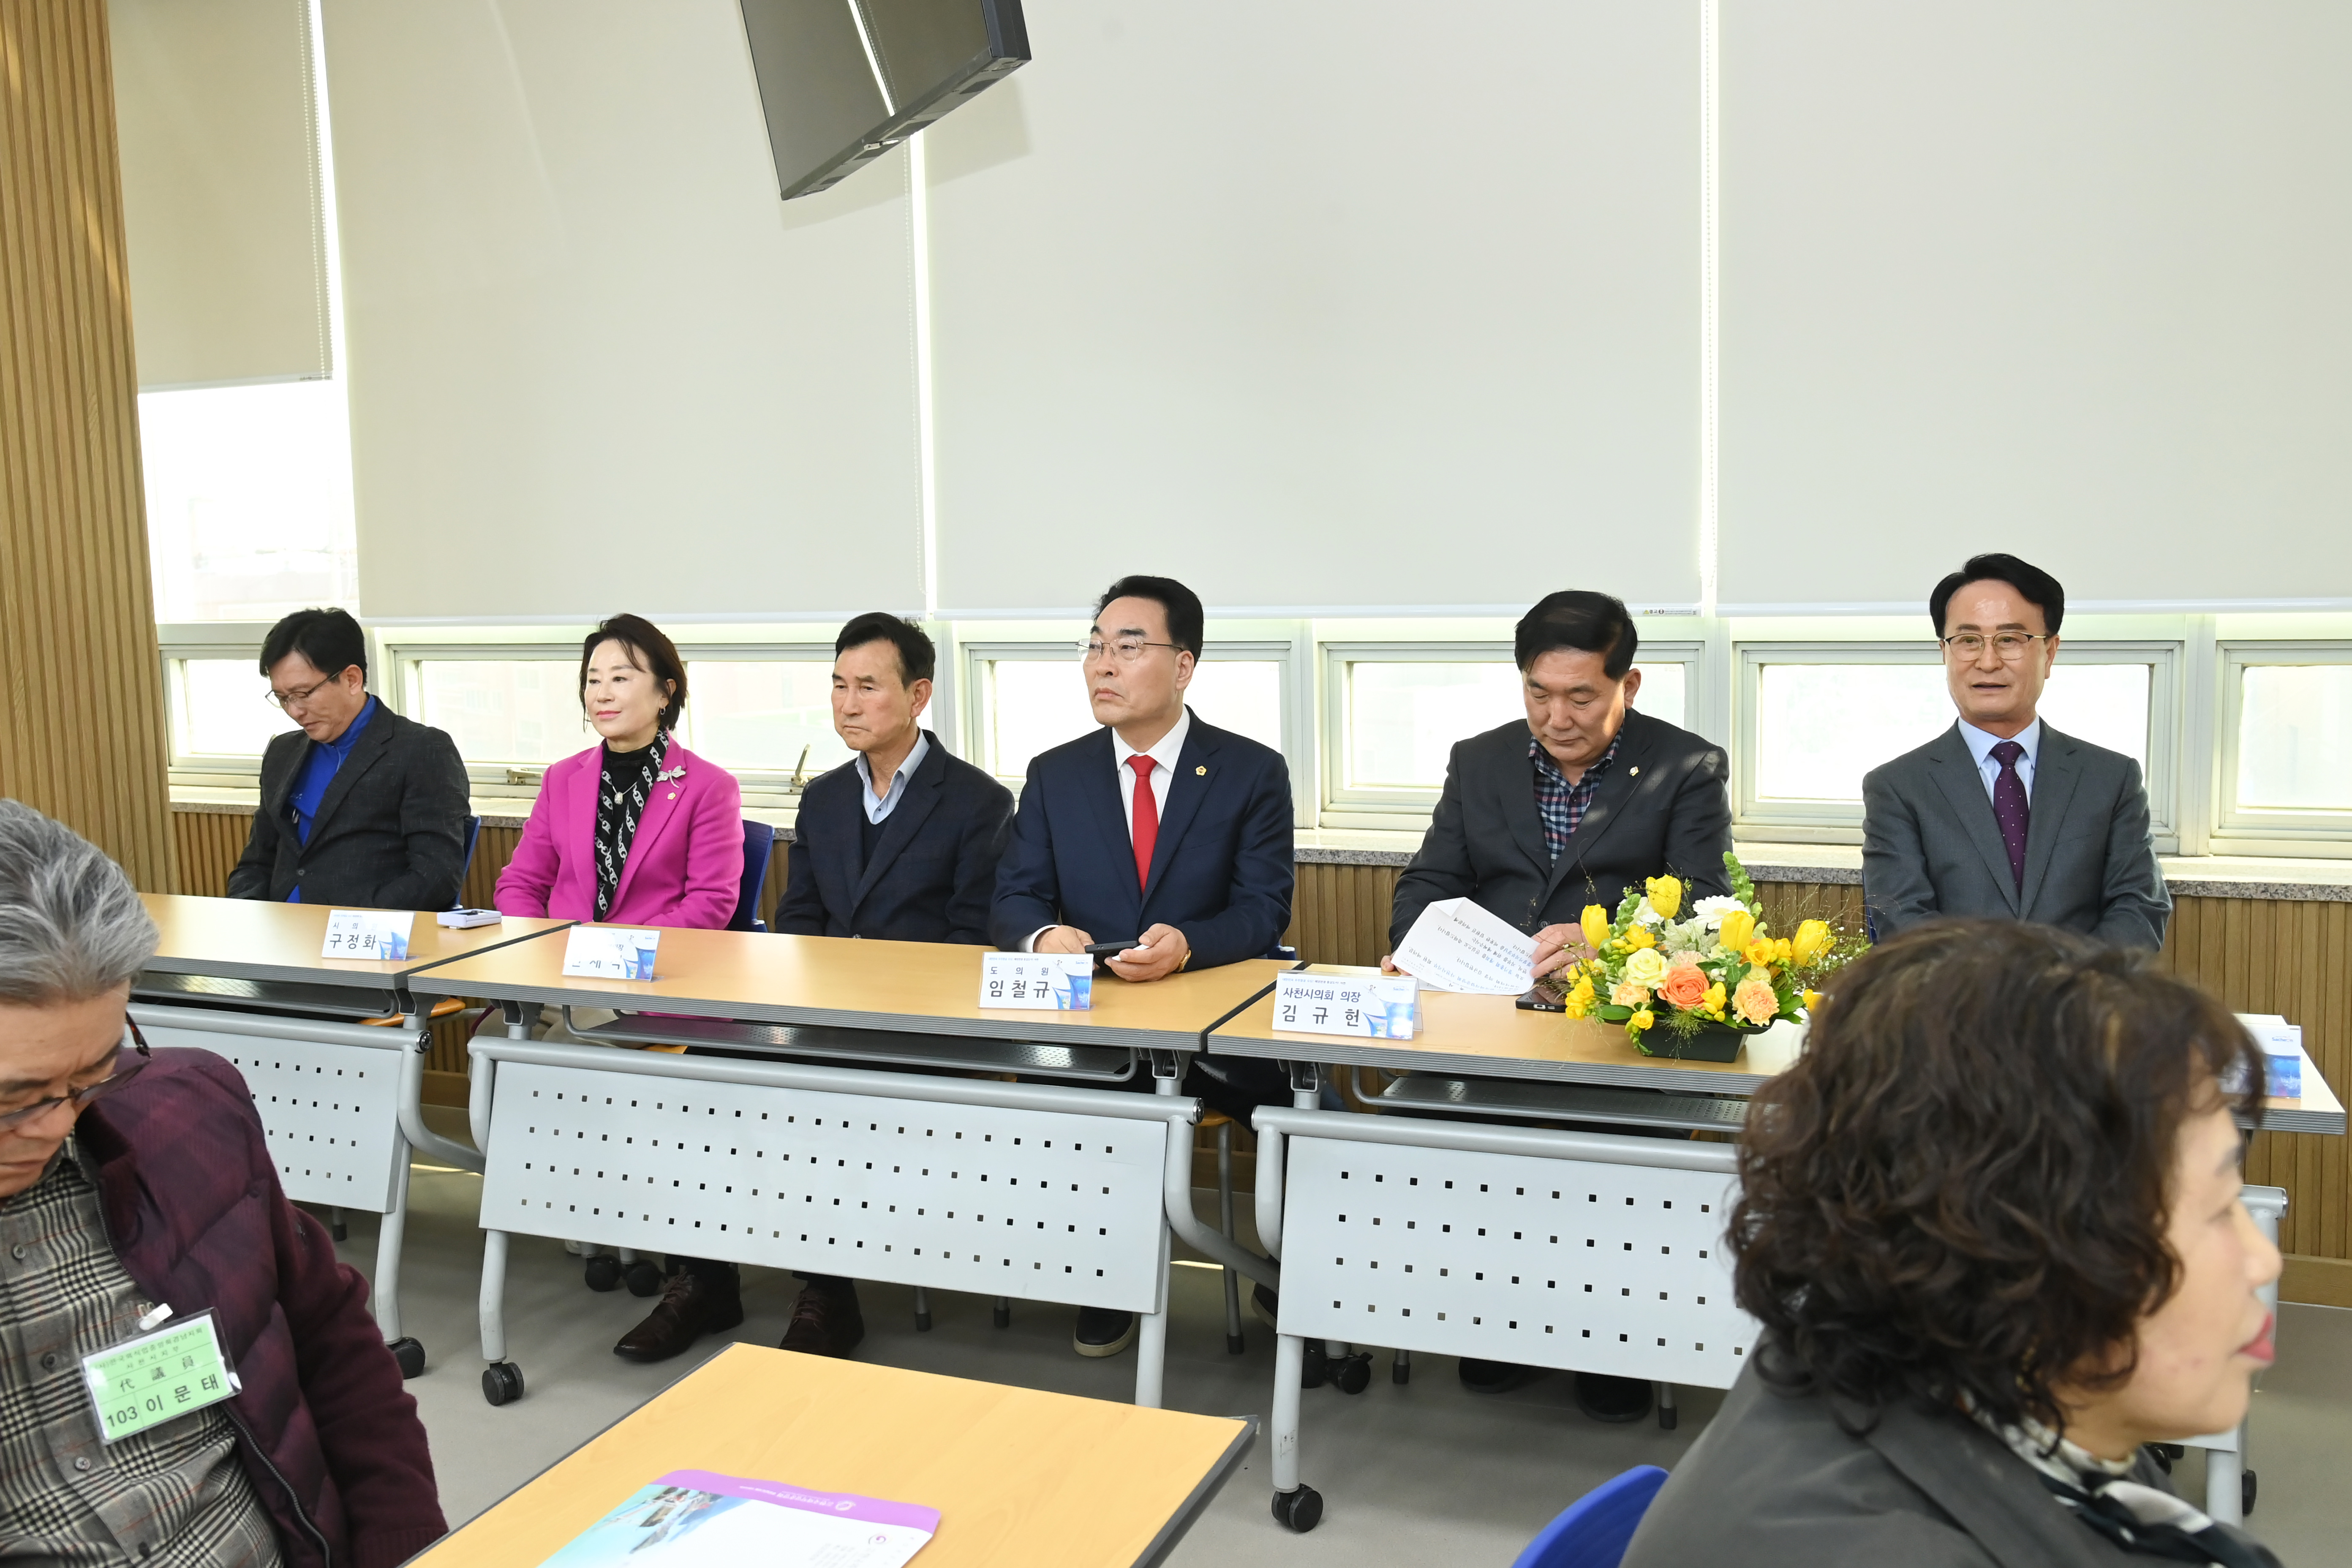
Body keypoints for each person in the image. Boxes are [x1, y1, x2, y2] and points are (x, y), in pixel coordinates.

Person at [1623, 920, 2281, 1567]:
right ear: (2021, 1240)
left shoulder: (2008, 1378)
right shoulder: (1864, 1545)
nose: (2265, 1260)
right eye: (2222, 1209)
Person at [0, 800, 446, 1568]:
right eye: (14, 1096)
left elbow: (333, 1344)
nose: (54, 1123)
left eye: (94, 1073)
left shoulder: (185, 1114)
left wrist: (406, 1547)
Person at [1384, 590, 1731, 1422]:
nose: (1558, 715)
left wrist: (1607, 944)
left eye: (1582, 696)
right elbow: (1432, 878)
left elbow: (1709, 907)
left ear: (1630, 685)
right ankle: (1498, 1328)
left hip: (1613, 1023)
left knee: (1612, 1172)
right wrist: (1413, 944)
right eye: (1539, 693)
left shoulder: (1687, 765)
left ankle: (1614, 1344)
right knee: (1483, 1161)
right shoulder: (1481, 759)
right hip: (1490, 1010)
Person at [990, 574, 1294, 1357]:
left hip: (1207, 1028)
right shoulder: (1056, 773)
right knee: (1068, 1093)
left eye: (1128, 647)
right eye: (1094, 647)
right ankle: (1107, 1273)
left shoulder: (1249, 770)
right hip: (1092, 1029)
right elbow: (1014, 898)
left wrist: (1188, 942)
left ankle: (1288, 1265)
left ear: (1183, 666)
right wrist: (1042, 935)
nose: (1102, 665)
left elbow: (1263, 911)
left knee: (1300, 1089)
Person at [493, 614, 746, 1363]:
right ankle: (592, 1207)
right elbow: (520, 881)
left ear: (666, 690)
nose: (603, 692)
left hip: (656, 988)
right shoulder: (563, 779)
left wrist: (609, 956)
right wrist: (540, 947)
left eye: (623, 676)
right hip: (563, 983)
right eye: (593, 678)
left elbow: (711, 903)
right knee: (491, 1051)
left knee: (593, 1058)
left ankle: (693, 1273)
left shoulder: (707, 786)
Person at [769, 611, 1014, 1356]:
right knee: (733, 1077)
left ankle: (827, 1291)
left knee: (825, 1093)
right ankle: (710, 1276)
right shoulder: (823, 798)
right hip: (826, 1015)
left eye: (866, 687)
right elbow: (799, 919)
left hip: (921, 1024)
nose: (846, 704)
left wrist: (877, 998)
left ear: (917, 696)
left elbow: (973, 940)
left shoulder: (977, 802)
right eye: (838, 686)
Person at [1863, 553, 2170, 948]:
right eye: (1968, 640)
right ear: (1944, 652)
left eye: (2010, 640)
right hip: (1950, 1006)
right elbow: (1902, 923)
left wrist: (2056, 989)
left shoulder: (2112, 779)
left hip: (2081, 1003)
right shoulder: (1897, 787)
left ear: (2050, 652)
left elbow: (2139, 910)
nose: (1988, 662)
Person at [228, 607, 471, 908]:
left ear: (352, 679)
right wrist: (243, 915)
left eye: (303, 694)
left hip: (363, 937)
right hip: (280, 932)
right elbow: (256, 862)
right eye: (282, 698)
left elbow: (436, 876)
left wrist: (354, 926)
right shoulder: (282, 752)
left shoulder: (421, 751)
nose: (294, 711)